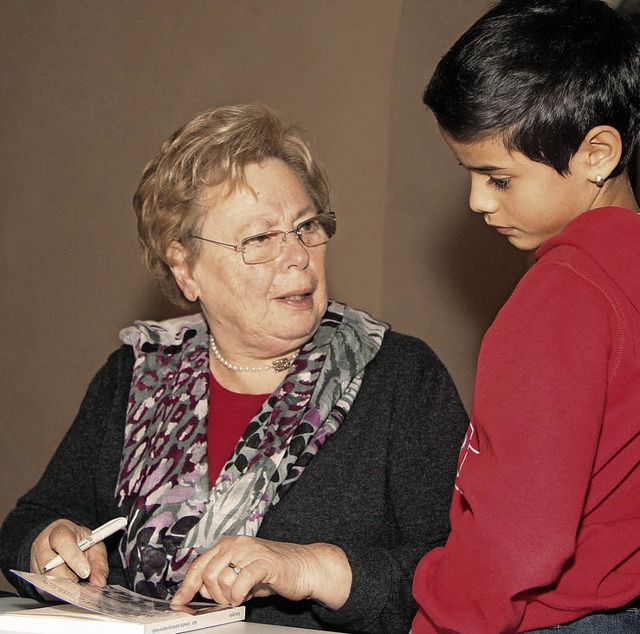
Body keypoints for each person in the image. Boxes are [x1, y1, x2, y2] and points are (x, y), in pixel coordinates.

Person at [0, 104, 468, 633]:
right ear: (185, 267)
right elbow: (31, 519)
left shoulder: (401, 379)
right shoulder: (137, 373)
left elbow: (461, 576)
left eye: (306, 226)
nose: (297, 255)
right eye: (261, 238)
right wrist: (48, 542)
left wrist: (314, 567)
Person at [411, 1, 640, 632]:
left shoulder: (562, 298)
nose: (478, 201)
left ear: (596, 153)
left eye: (498, 177)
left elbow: (519, 536)